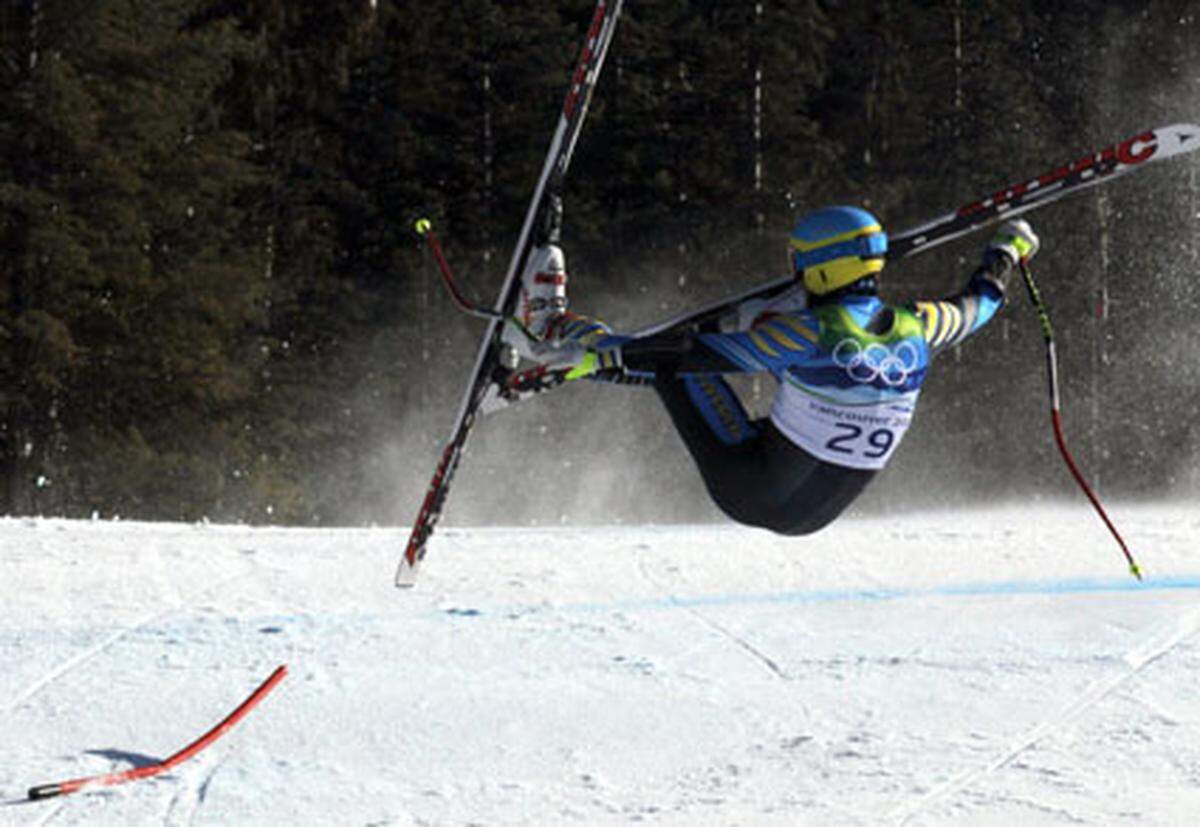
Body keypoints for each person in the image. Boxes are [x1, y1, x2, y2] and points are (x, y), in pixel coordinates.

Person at [502, 204, 1038, 535]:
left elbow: (693, 355)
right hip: (818, 513)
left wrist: (603, 356)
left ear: (822, 267)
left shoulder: (808, 334)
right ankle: (755, 320)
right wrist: (1006, 251)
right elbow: (982, 303)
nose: (796, 270)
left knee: (679, 365)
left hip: (750, 488)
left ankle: (552, 337)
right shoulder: (921, 326)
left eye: (800, 264)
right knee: (803, 377)